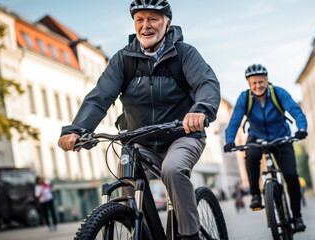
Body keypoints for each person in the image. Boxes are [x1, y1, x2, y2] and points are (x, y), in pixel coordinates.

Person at [57, 1, 220, 239]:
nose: (146, 26)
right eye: (139, 20)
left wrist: (201, 110)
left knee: (173, 170)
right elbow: (100, 96)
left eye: (153, 19)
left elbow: (206, 84)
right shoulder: (123, 60)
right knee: (126, 183)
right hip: (138, 141)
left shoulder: (185, 54)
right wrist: (77, 130)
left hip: (181, 135)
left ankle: (190, 235)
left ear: (167, 23)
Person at [223, 64, 308, 232]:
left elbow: (295, 110)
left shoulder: (278, 93)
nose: (257, 86)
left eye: (261, 82)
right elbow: (235, 121)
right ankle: (255, 195)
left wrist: (302, 128)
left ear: (267, 81)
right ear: (249, 84)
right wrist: (229, 140)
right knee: (252, 155)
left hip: (281, 137)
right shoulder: (244, 98)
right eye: (254, 83)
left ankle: (297, 217)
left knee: (291, 175)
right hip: (257, 136)